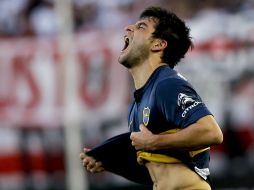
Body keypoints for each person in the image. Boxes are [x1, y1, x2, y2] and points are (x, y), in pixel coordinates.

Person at [80, 6, 223, 190]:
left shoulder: (167, 84)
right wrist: (109, 162)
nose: (128, 28)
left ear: (158, 44)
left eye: (141, 26)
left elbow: (211, 132)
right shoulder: (136, 105)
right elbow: (157, 171)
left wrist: (153, 142)